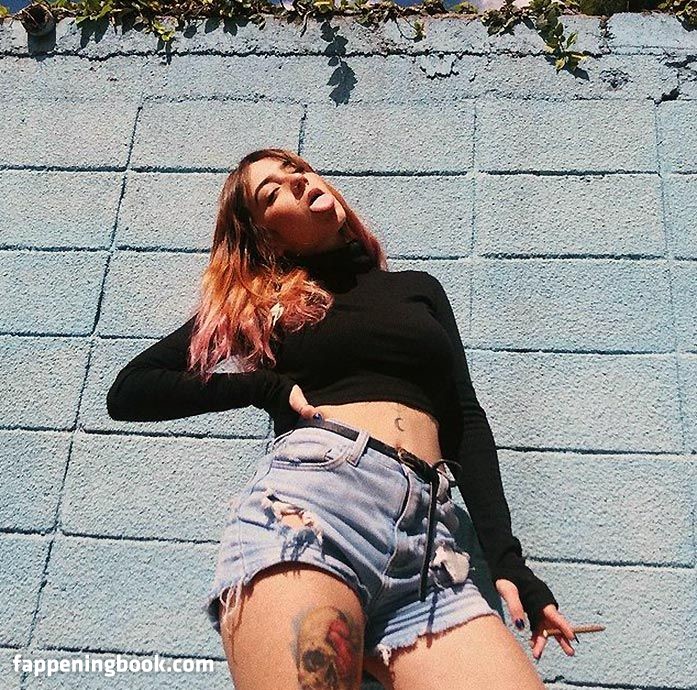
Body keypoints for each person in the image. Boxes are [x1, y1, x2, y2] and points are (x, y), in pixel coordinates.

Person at [106, 147, 577, 690]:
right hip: (314, 512)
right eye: (272, 192)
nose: (297, 182)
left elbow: (464, 420)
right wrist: (264, 388)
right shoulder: (267, 303)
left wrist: (508, 562)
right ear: (267, 239)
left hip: (432, 545)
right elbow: (132, 390)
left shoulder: (418, 289)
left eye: (297, 170)